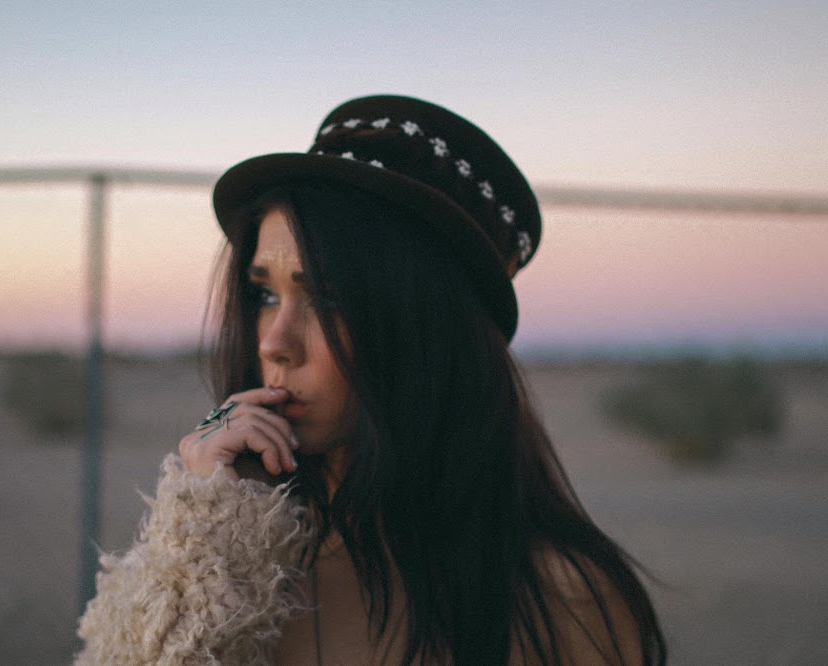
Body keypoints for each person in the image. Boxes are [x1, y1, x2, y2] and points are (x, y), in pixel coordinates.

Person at [75, 95, 667, 665]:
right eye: (265, 295)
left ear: (431, 330)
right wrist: (200, 534)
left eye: (328, 298)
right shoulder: (235, 570)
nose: (274, 343)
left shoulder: (567, 599)